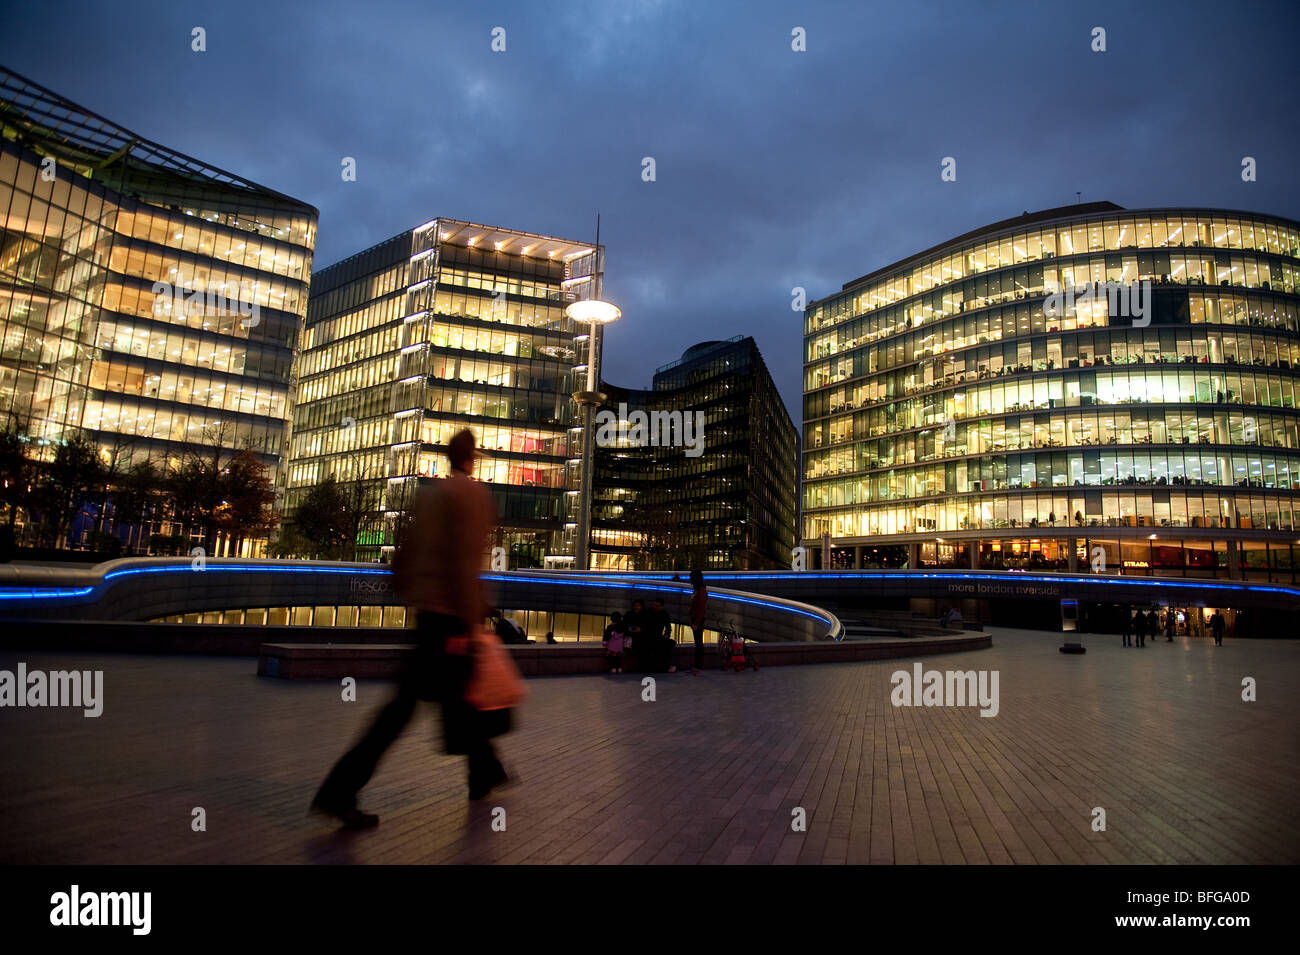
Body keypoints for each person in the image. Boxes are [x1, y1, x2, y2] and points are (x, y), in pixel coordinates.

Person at [311, 429, 509, 827]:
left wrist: (410, 591)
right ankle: (339, 791)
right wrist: (470, 617)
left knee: (443, 699)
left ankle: (484, 772)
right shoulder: (471, 497)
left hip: (429, 613)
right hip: (451, 618)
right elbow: (464, 563)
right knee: (429, 703)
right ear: (471, 458)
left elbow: (406, 553)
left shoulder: (432, 495)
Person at [647, 596, 676, 673]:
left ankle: (665, 666)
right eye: (654, 605)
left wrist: (666, 635)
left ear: (661, 606)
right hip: (649, 636)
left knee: (669, 644)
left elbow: (668, 627)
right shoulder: (649, 612)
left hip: (658, 636)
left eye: (657, 606)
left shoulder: (664, 614)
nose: (655, 607)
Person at [689, 570, 707, 676]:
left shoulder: (701, 590)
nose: (689, 579)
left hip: (697, 619)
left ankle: (698, 668)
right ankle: (696, 667)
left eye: (691, 577)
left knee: (699, 643)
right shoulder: (697, 590)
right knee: (697, 643)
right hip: (695, 618)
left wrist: (696, 622)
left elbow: (701, 608)